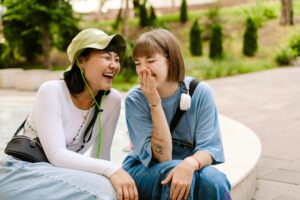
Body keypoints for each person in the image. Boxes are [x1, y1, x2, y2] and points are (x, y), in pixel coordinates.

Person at [0, 28, 138, 200]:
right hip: (20, 172)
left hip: (59, 176)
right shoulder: (52, 91)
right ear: (82, 61)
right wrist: (113, 169)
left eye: (116, 59)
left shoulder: (112, 100)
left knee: (112, 186)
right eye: (106, 57)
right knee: (107, 190)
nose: (114, 65)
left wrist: (112, 174)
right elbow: (56, 154)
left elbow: (101, 156)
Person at [122, 28, 231, 200]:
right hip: (144, 171)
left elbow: (209, 148)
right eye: (137, 63)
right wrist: (154, 103)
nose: (143, 69)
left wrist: (190, 163)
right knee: (174, 176)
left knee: (214, 180)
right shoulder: (135, 100)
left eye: (150, 60)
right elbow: (163, 157)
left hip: (188, 166)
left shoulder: (199, 92)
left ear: (171, 60)